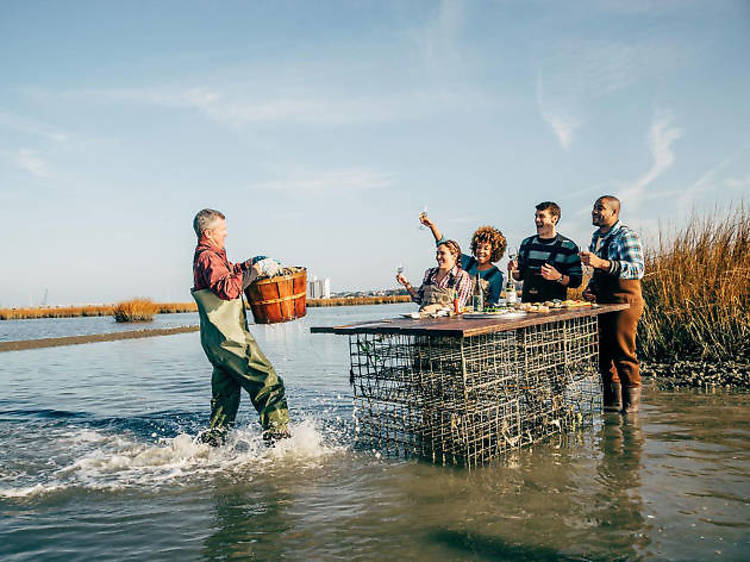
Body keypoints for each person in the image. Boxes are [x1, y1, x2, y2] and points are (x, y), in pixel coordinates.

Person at [191, 208, 290, 445]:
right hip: (231, 339)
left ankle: (212, 448)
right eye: (222, 231)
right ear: (208, 233)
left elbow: (229, 273)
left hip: (215, 342)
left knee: (225, 397)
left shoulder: (211, 256)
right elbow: (228, 289)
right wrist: (257, 271)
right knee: (268, 382)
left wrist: (251, 262)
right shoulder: (208, 257)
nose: (226, 235)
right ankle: (280, 444)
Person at [580, 196, 645, 414]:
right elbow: (599, 272)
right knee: (603, 355)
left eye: (600, 208)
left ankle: (631, 414)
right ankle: (611, 410)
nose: (594, 212)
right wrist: (590, 288)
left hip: (625, 301)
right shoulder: (596, 237)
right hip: (604, 302)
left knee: (624, 353)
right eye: (594, 207)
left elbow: (637, 269)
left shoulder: (626, 235)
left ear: (614, 213)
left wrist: (602, 263)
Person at [419, 216, 506, 304]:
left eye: (486, 248)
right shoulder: (467, 262)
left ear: (494, 251)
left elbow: (493, 302)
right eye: (479, 247)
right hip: (457, 314)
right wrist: (432, 226)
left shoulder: (496, 275)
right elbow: (444, 245)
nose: (481, 251)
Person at [507, 201, 583, 302]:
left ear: (554, 219)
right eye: (536, 216)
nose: (537, 220)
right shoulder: (526, 243)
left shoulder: (569, 247)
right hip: (527, 308)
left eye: (541, 216)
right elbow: (519, 276)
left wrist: (558, 277)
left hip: (555, 311)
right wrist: (514, 271)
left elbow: (576, 281)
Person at [396, 239, 472, 312]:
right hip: (425, 322)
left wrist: (437, 307)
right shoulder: (429, 273)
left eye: (442, 253)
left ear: (454, 256)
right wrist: (406, 284)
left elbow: (459, 306)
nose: (438, 257)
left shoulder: (462, 276)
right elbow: (419, 299)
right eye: (437, 253)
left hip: (449, 324)